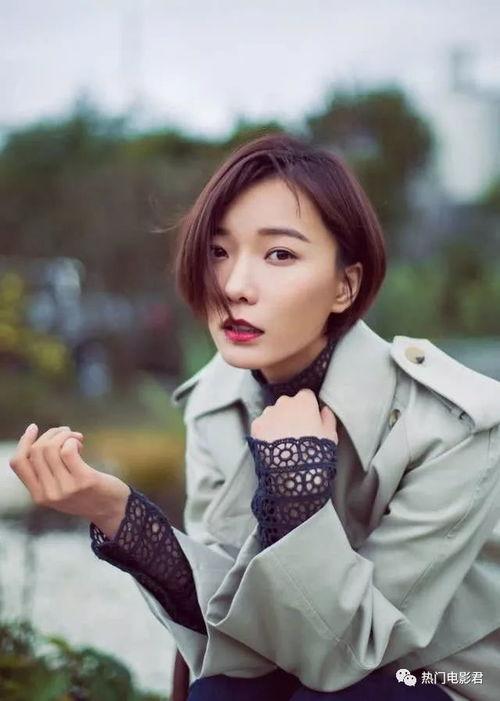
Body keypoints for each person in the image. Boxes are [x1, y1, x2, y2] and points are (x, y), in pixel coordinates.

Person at [9, 134, 500, 701]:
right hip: (305, 659)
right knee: (226, 690)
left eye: (280, 254)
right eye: (218, 252)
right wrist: (115, 512)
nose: (234, 287)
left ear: (345, 286)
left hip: (441, 678)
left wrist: (296, 497)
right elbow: (235, 628)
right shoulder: (216, 399)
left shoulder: (457, 425)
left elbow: (353, 654)